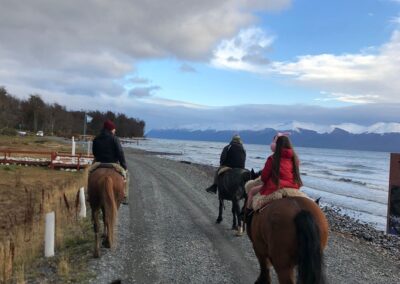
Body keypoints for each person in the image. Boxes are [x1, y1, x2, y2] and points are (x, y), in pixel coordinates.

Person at [246, 133, 302, 210]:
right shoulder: (295, 159)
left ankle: (247, 214)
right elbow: (296, 176)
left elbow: (264, 178)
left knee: (252, 191)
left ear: (277, 145)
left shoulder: (272, 158)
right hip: (293, 187)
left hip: (275, 187)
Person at [92, 119, 129, 203]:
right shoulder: (114, 139)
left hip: (99, 163)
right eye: (113, 129)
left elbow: (94, 153)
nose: (115, 130)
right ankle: (125, 195)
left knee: (89, 174)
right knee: (126, 175)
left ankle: (89, 194)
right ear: (110, 129)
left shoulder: (96, 139)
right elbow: (120, 152)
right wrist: (124, 166)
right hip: (113, 164)